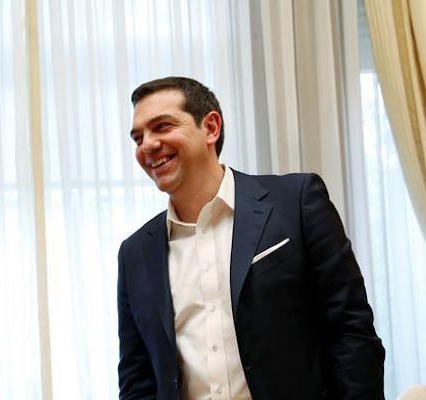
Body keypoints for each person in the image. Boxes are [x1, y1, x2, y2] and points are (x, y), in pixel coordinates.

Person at [117, 77, 385, 399]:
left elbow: (351, 334)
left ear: (211, 128)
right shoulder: (134, 254)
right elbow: (138, 379)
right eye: (137, 137)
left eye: (162, 126)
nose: (146, 145)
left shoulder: (296, 202)